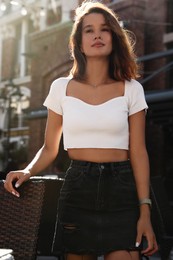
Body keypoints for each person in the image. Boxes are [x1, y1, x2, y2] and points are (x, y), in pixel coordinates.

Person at [4, 1, 158, 260]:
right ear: (79, 41)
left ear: (114, 38)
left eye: (104, 29)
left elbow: (139, 151)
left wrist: (145, 210)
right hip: (78, 190)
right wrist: (27, 170)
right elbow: (50, 147)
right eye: (89, 30)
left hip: (122, 192)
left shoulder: (132, 89)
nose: (97, 35)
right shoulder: (60, 88)